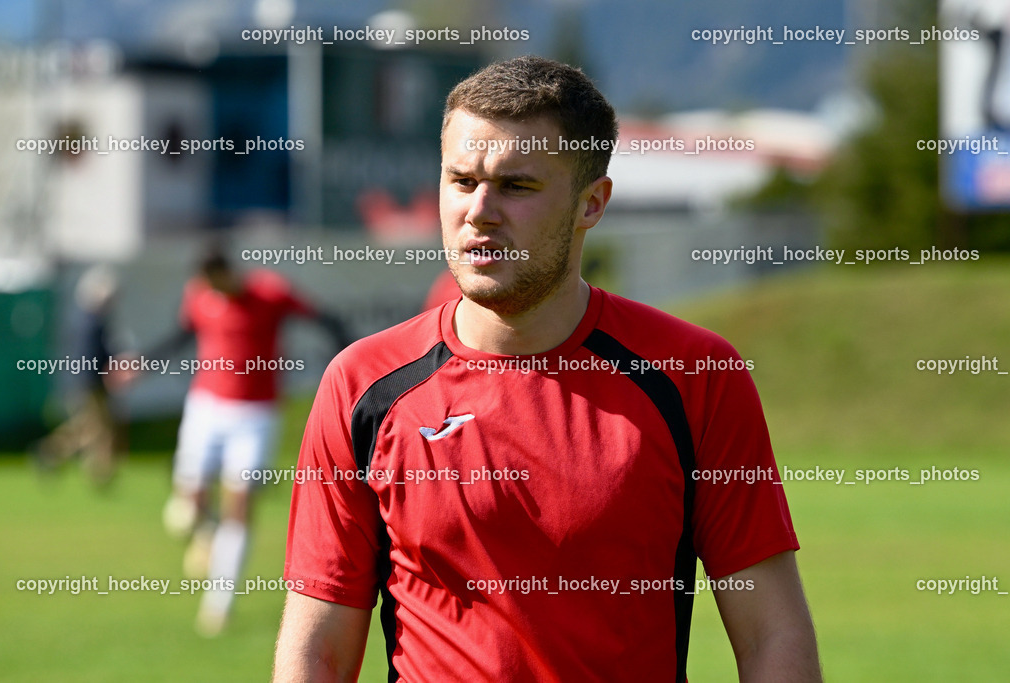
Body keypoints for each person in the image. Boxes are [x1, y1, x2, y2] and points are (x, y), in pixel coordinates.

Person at [273, 56, 822, 681]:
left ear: (591, 204)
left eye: (516, 186)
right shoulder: (362, 385)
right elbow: (318, 647)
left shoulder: (694, 374)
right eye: (461, 180)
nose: (479, 211)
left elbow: (771, 635)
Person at [146, 246, 349, 637]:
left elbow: (324, 319)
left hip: (256, 415)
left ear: (229, 272)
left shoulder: (270, 292)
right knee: (188, 508)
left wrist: (353, 356)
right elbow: (181, 336)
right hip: (206, 406)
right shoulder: (199, 295)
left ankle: (218, 602)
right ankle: (203, 532)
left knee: (239, 505)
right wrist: (141, 362)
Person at [32, 264, 124, 487]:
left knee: (90, 428)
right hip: (88, 383)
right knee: (96, 429)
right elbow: (92, 355)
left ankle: (88, 467)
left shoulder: (81, 318)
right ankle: (59, 456)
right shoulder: (90, 321)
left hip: (80, 381)